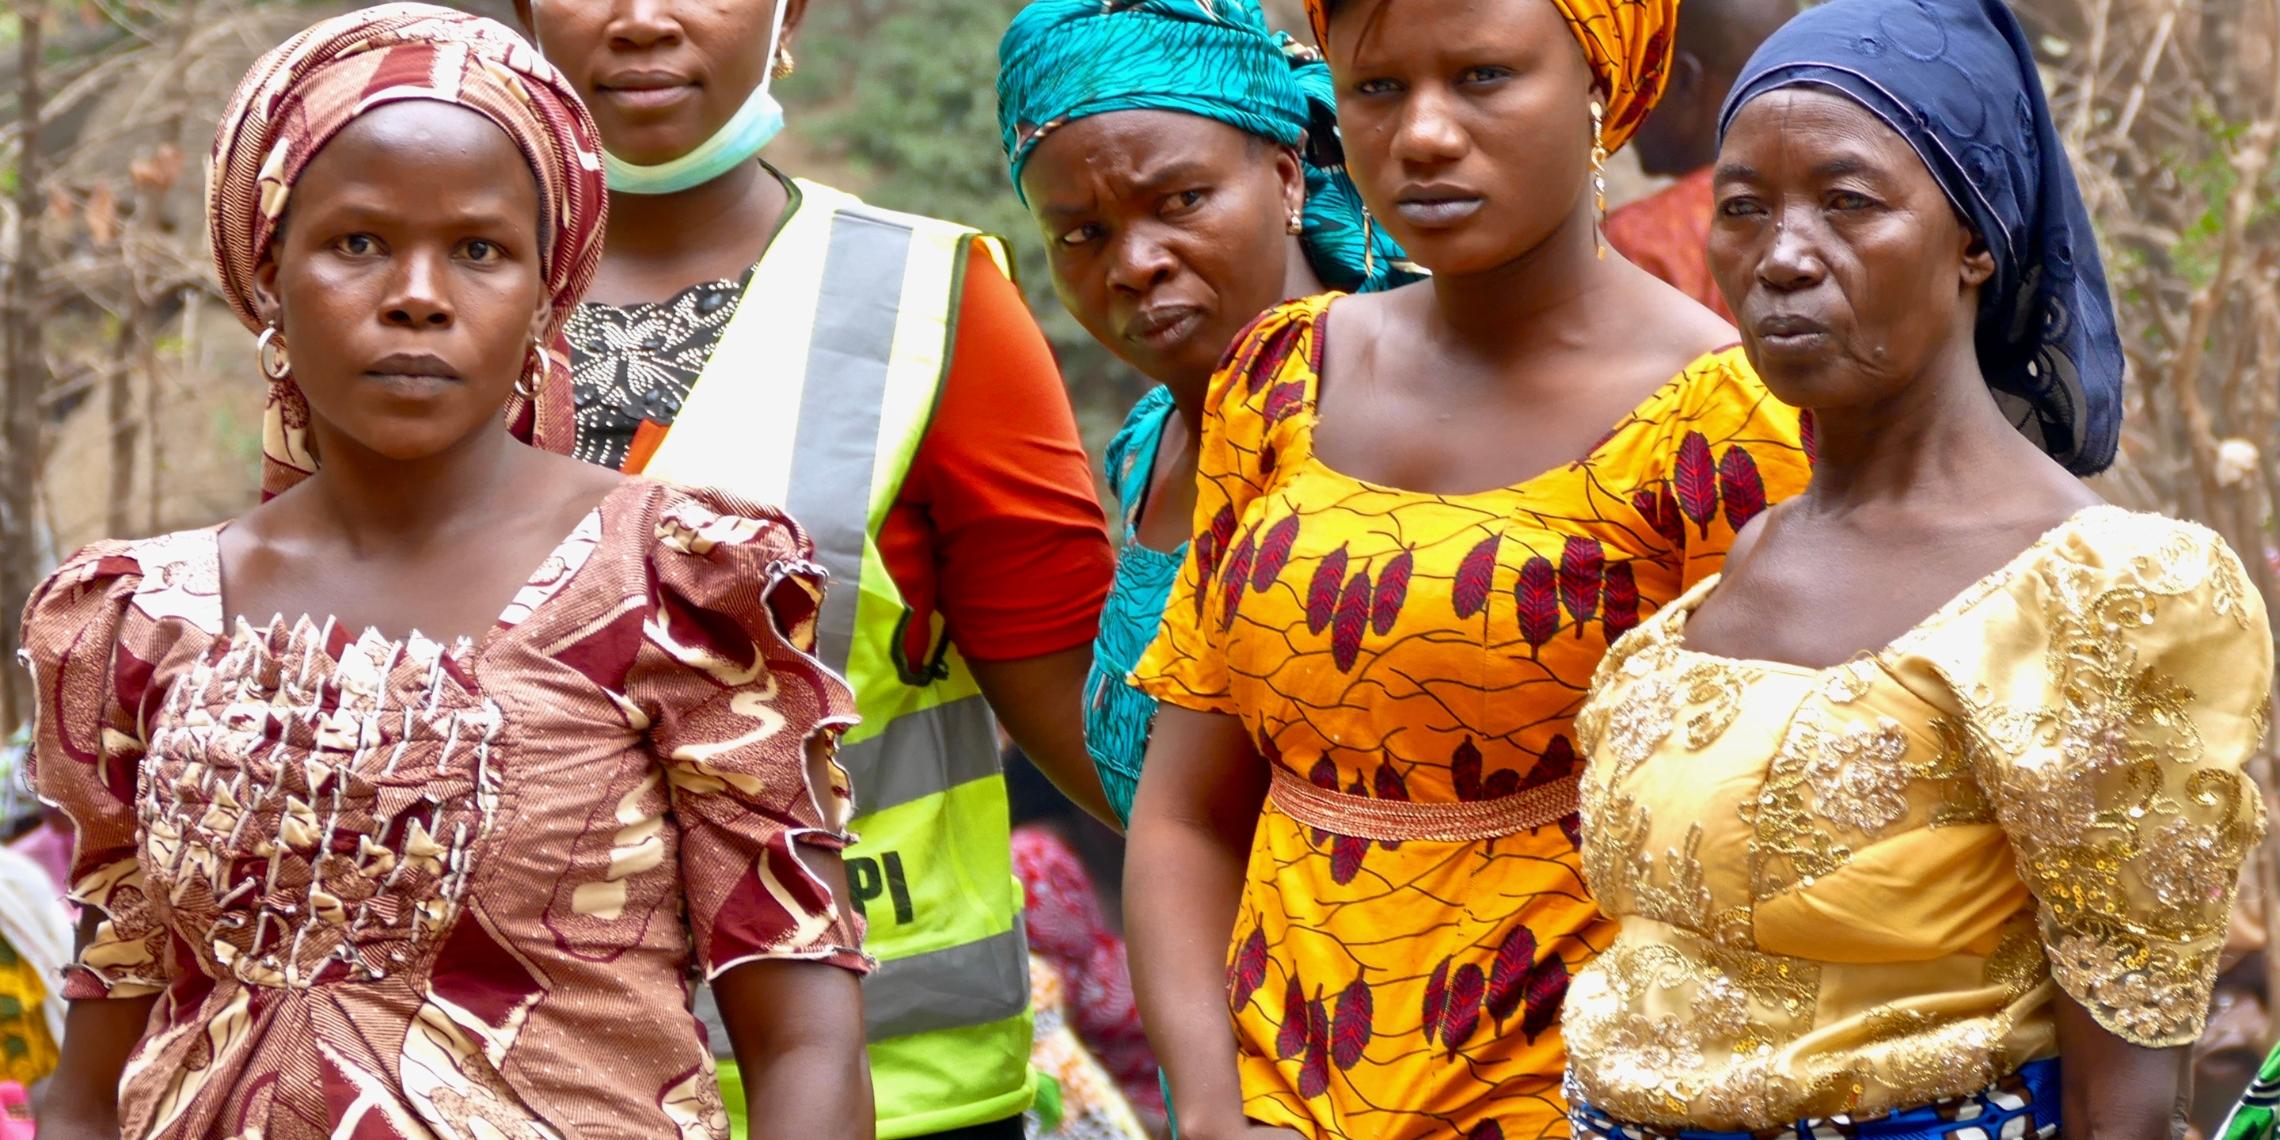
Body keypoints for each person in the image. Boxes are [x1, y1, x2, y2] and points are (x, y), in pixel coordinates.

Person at [22, 8, 872, 1137]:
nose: (418, 294)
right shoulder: (139, 620)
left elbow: (803, 1039)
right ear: (267, 273)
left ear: (545, 291)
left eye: (479, 249)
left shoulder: (666, 589)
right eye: (358, 243)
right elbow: (94, 1076)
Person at [1562, 0, 2273, 1135]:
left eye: (1849, 202)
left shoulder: (2100, 595)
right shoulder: (1748, 557)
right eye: (1744, 207)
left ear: (1975, 241)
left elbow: (2127, 1081)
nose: (1785, 255)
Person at [1121, 0, 1814, 1133]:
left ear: (1600, 86)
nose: (1425, 134)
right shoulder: (1279, 381)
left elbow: (1763, 876)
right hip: (1271, 1100)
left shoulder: (1723, 422)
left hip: (1577, 1104)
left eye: (1484, 76)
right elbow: (1189, 814)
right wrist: (1208, 1108)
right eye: (1380, 89)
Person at [510, 2, 1118, 1136]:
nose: (644, 19)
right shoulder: (400, 315)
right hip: (502, 1080)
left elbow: (1104, 745)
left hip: (896, 1088)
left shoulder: (929, 304)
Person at [994, 0, 1419, 827]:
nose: (1135, 264)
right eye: (1081, 234)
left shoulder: (1403, 427)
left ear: (1287, 177)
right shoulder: (1149, 444)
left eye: (1182, 200)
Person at [1601, 0, 1796, 321]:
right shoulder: (1855, 210)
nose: (1622, 104)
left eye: (1641, 76)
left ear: (1683, 80)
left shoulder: (1639, 245)